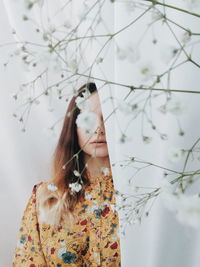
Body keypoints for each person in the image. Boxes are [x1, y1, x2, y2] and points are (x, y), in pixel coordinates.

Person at [12, 82, 121, 266]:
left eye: (108, 118)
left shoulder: (137, 196)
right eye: (89, 119)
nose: (99, 128)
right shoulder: (45, 197)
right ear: (74, 126)